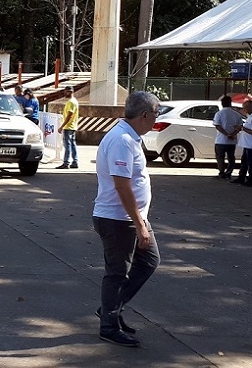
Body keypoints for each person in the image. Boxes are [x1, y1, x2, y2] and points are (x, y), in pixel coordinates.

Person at [92, 91, 161, 348]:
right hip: (119, 219)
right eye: (155, 115)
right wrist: (140, 224)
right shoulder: (121, 140)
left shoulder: (130, 138)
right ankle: (108, 325)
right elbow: (122, 186)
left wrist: (140, 220)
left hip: (130, 218)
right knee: (117, 273)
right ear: (144, 115)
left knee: (149, 261)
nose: (156, 120)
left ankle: (111, 308)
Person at [232, 99, 252, 187]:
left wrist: (242, 128)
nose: (244, 110)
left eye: (245, 108)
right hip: (247, 144)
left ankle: (251, 180)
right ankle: (241, 178)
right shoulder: (251, 116)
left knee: (251, 163)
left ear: (250, 107)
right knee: (244, 162)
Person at [212, 95, 244, 180]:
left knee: (220, 157)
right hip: (232, 141)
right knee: (231, 157)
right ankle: (229, 173)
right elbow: (240, 126)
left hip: (221, 140)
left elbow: (217, 126)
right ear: (230, 103)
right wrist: (233, 134)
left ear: (222, 104)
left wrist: (226, 134)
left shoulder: (219, 113)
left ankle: (221, 173)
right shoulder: (236, 114)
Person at [56, 86, 79, 169]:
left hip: (68, 126)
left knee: (68, 145)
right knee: (72, 144)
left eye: (66, 92)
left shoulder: (71, 102)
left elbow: (69, 115)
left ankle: (66, 162)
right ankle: (75, 161)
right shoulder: (74, 101)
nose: (65, 93)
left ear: (70, 92)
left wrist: (62, 126)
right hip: (72, 126)